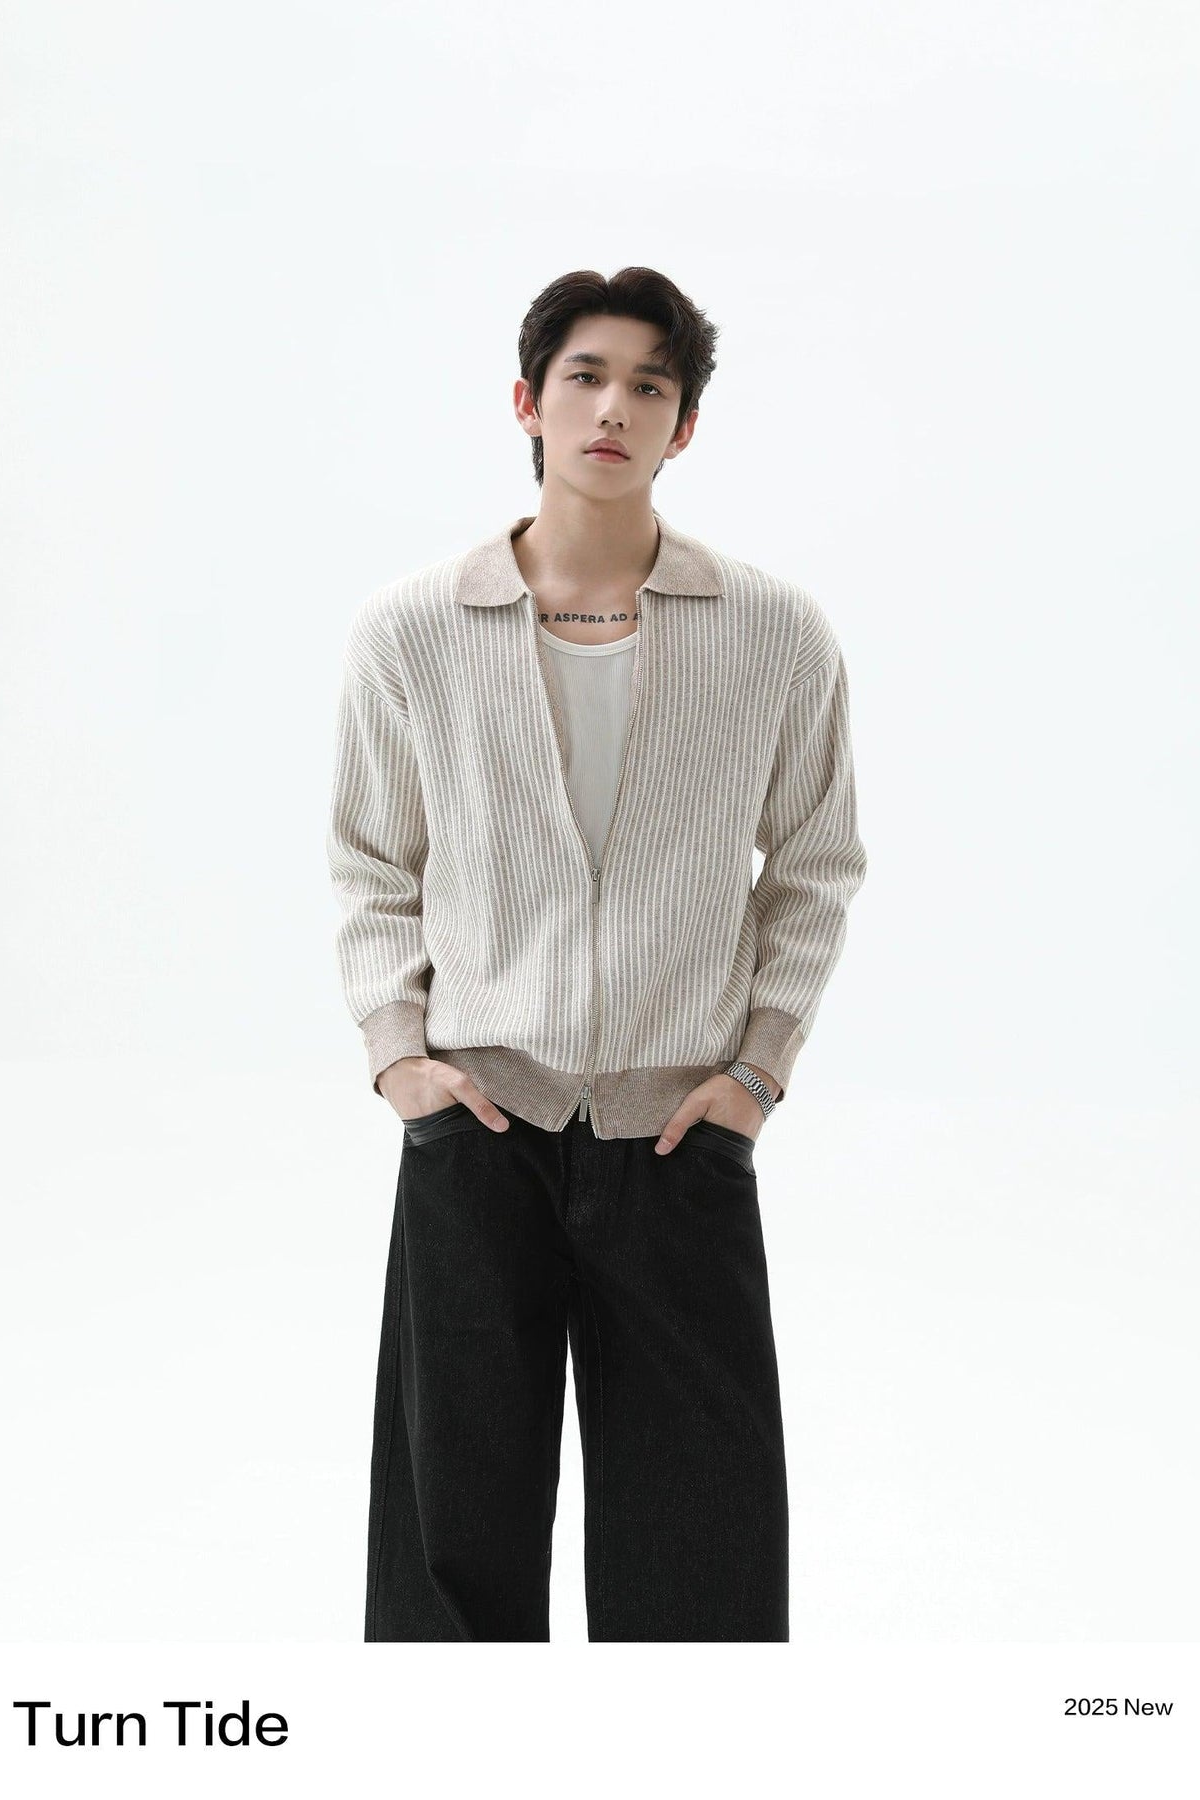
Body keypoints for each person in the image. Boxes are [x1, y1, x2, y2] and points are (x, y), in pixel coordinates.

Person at [326, 266, 868, 1641]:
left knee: (702, 1548)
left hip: (681, 1137)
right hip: (477, 1124)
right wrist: (401, 1063)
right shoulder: (413, 631)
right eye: (586, 376)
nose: (614, 407)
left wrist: (758, 1072)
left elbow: (815, 866)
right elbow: (373, 865)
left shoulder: (774, 633)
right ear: (528, 401)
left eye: (649, 385)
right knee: (452, 1542)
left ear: (685, 426)